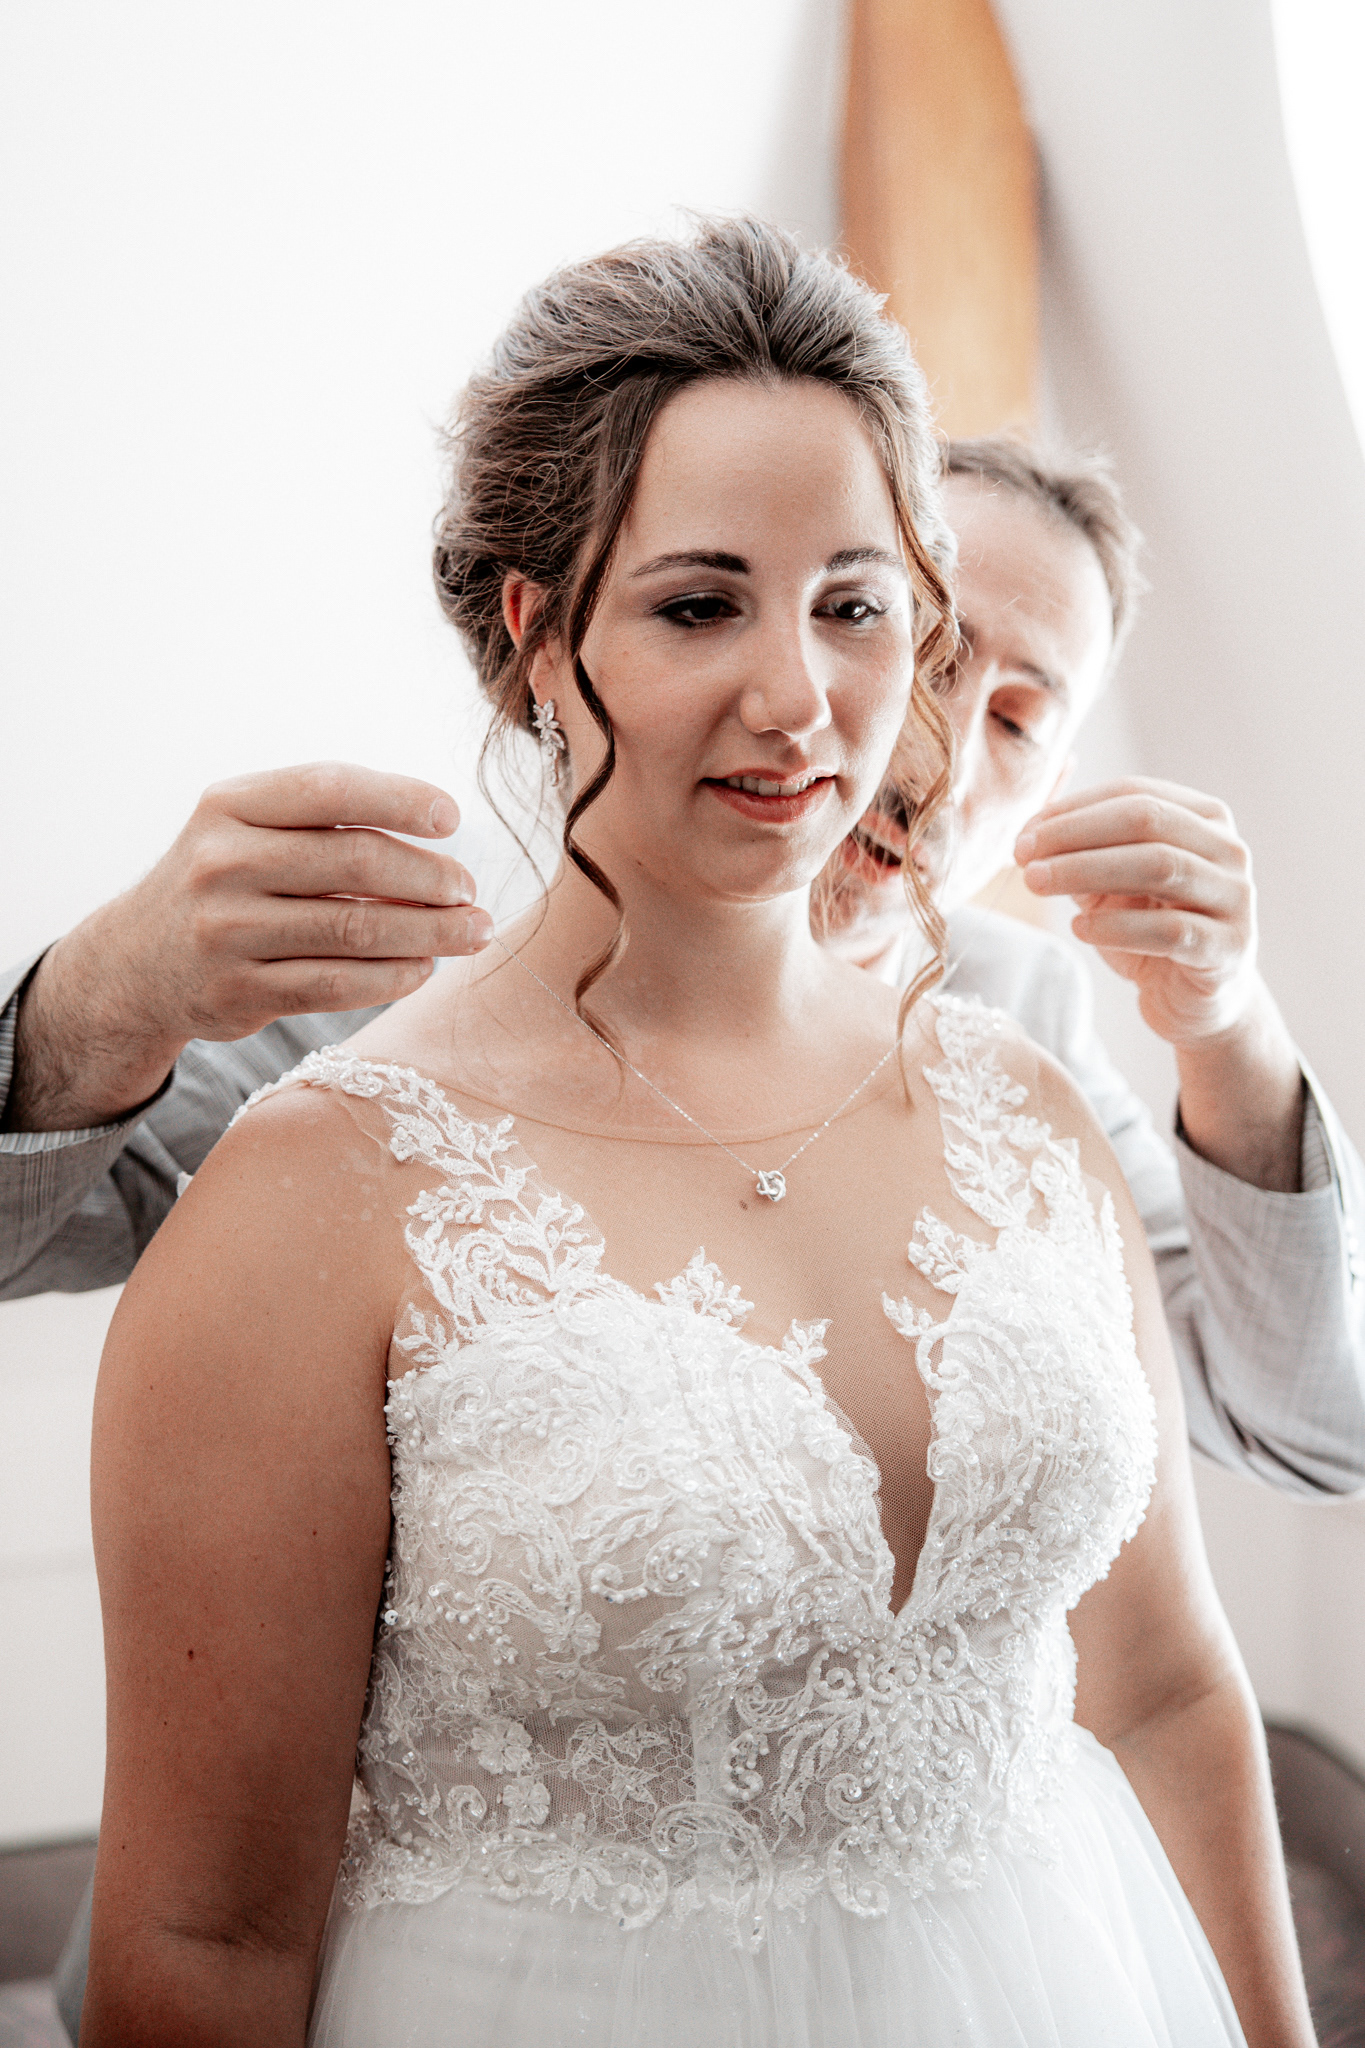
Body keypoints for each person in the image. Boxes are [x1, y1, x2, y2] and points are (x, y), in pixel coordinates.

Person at [81, 216, 1309, 2045]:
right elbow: (205, 1938)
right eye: (696, 603)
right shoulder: (319, 1185)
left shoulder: (1026, 1101)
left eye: (856, 602)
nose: (799, 703)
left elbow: (1158, 1694)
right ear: (536, 635)